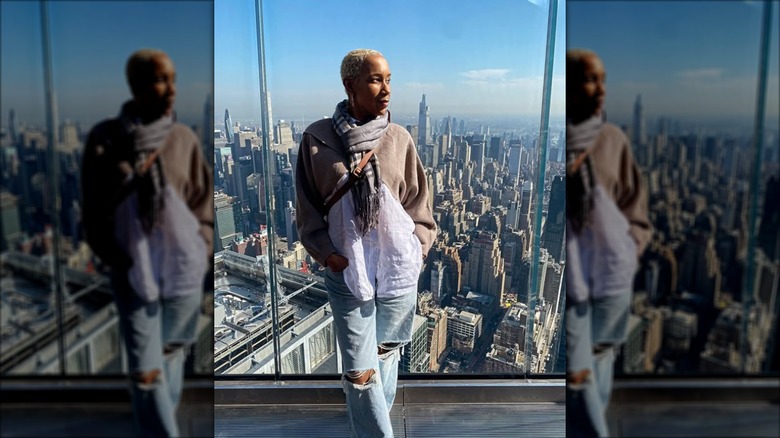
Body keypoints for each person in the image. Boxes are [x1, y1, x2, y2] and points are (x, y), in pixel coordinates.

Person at [295, 48, 436, 437]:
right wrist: (329, 255)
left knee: (385, 355)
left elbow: (419, 203)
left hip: (396, 271)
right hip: (347, 271)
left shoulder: (399, 138)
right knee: (359, 372)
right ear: (350, 85)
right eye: (376, 80)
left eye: (389, 80)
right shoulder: (317, 139)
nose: (386, 89)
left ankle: (371, 425)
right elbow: (307, 208)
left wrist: (418, 249)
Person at [81, 49, 213, 437]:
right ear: (136, 85)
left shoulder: (184, 139)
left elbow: (201, 202)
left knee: (170, 356)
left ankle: (156, 421)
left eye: (173, 79)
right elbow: (92, 208)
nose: (171, 89)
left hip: (182, 272)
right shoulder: (106, 139)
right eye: (159, 79)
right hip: (132, 271)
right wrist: (116, 258)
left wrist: (202, 246)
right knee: (146, 370)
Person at [565, 49, 652, 438]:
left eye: (602, 80)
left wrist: (629, 250)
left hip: (611, 281)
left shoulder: (613, 140)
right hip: (572, 288)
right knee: (579, 377)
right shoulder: (557, 142)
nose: (601, 89)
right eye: (590, 79)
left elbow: (635, 210)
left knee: (599, 368)